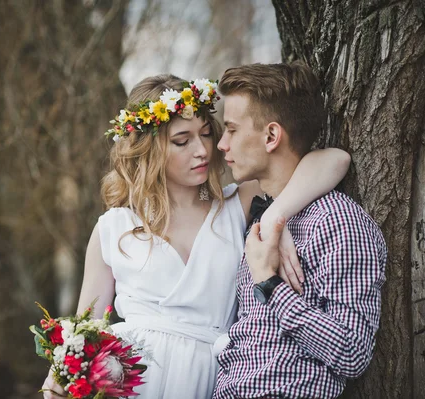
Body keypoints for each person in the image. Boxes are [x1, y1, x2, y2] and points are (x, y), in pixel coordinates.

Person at [42, 74, 350, 399]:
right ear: (150, 149)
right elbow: (85, 328)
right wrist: (59, 374)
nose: (202, 149)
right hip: (131, 379)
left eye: (205, 133)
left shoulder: (237, 204)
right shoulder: (113, 227)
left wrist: (276, 213)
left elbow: (335, 160)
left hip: (211, 375)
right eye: (181, 141)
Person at [212, 62, 387, 399]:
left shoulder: (337, 222)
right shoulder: (263, 221)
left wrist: (270, 285)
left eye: (232, 130)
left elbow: (352, 351)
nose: (221, 144)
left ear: (271, 136)